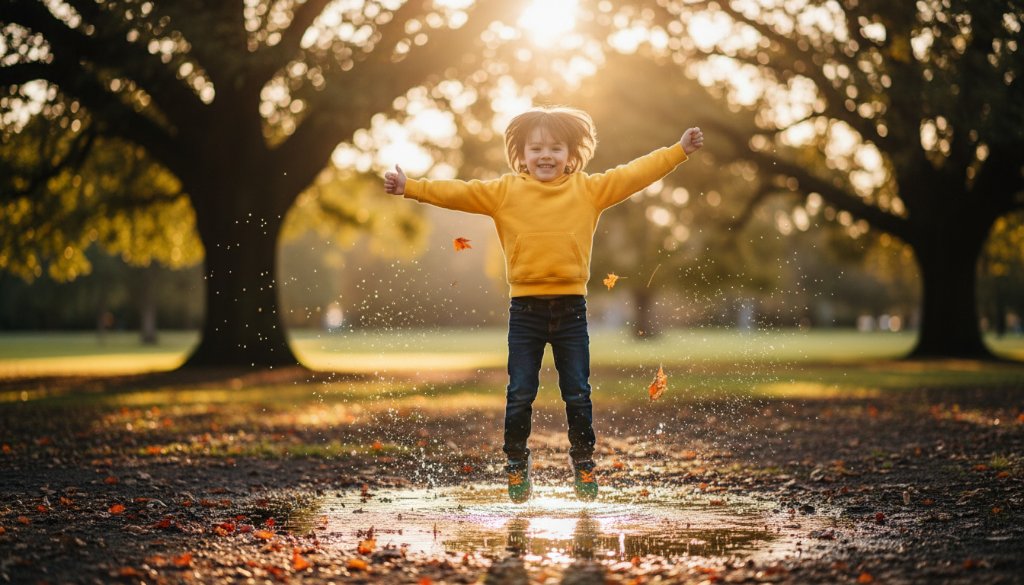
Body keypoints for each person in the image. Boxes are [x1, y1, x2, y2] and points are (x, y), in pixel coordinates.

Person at [384, 106, 704, 502]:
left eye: (556, 147)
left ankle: (584, 466)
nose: (546, 155)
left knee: (578, 393)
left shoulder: (589, 189)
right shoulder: (504, 192)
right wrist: (409, 186)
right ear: (521, 155)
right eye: (536, 148)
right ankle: (517, 465)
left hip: (571, 312)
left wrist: (678, 151)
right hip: (526, 314)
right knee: (520, 392)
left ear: (572, 155)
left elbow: (633, 174)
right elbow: (459, 192)